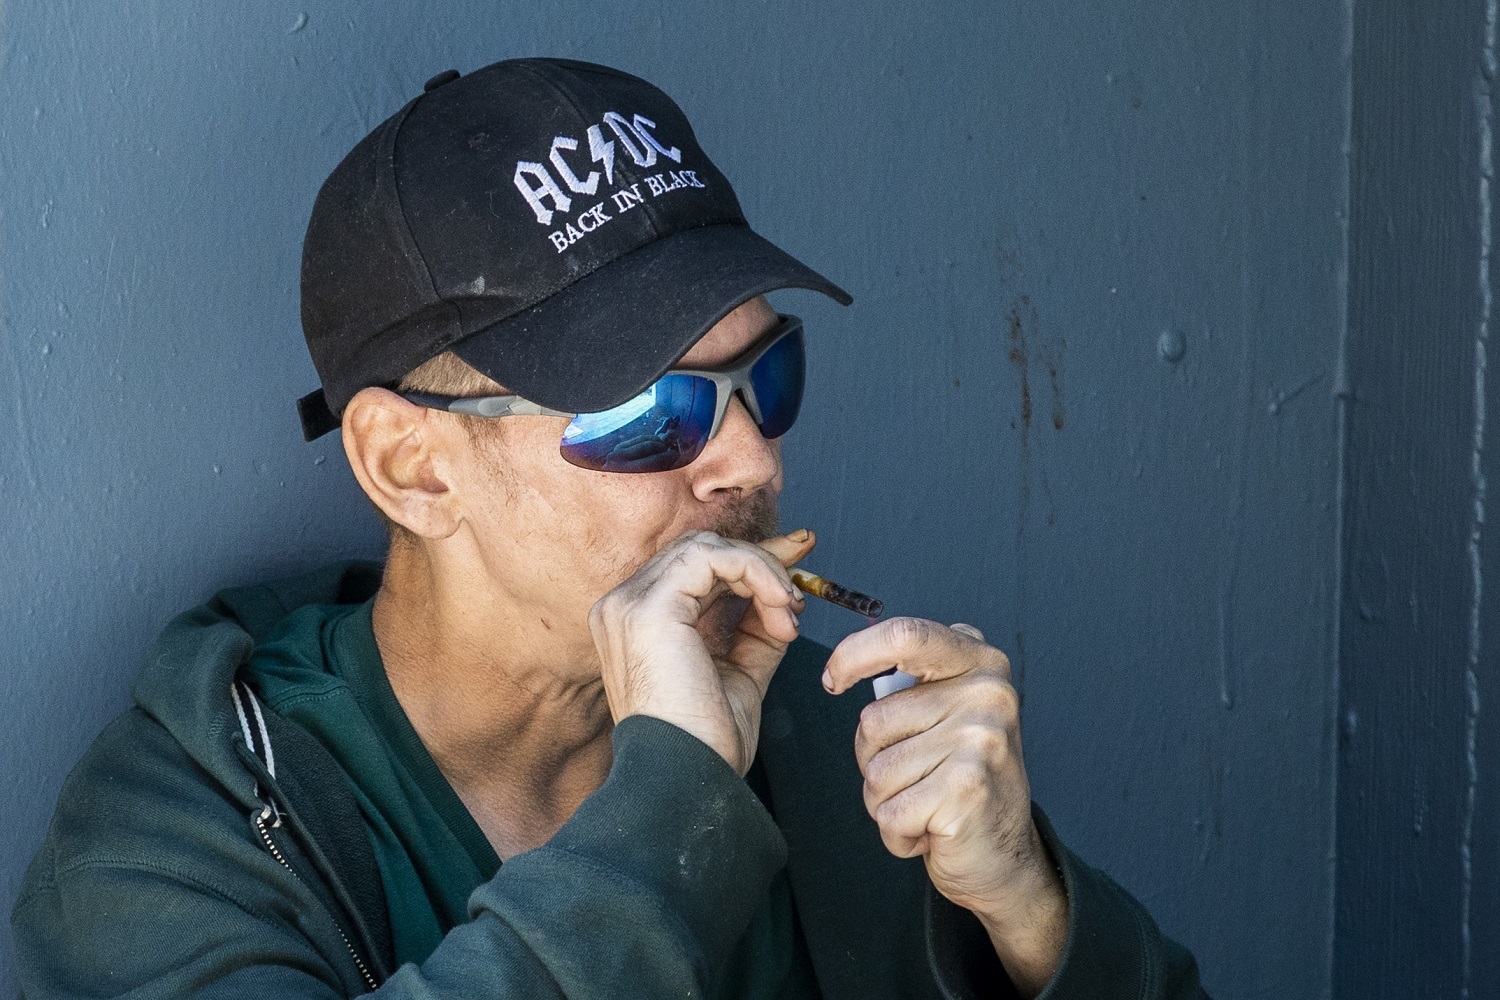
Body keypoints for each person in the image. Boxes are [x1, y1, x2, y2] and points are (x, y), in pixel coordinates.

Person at [12, 58, 1208, 999]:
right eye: (650, 411)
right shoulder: (174, 845)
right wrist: (671, 808)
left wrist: (1030, 912)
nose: (749, 458)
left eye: (766, 379)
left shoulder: (830, 732)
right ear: (413, 465)